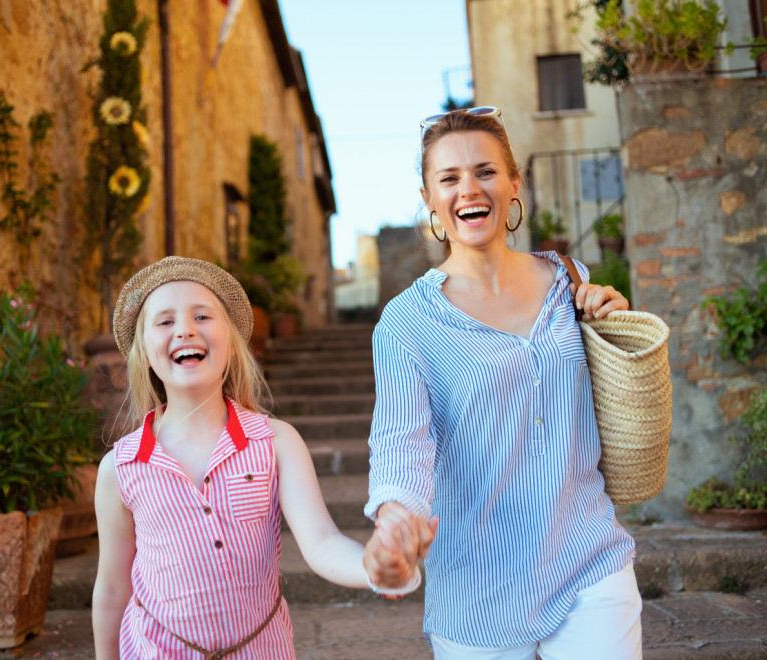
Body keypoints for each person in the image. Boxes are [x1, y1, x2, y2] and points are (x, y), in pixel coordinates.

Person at [361, 108, 641, 659]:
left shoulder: (572, 280)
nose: (470, 188)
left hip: (588, 558)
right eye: (449, 177)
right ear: (429, 198)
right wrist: (396, 517)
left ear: (515, 184)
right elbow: (402, 439)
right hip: (477, 585)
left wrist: (616, 321)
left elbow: (611, 389)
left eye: (486, 171)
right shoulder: (406, 322)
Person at [92, 256, 429, 659]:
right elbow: (112, 587)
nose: (184, 329)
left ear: (232, 344)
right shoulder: (120, 468)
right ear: (144, 353)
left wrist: (374, 566)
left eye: (202, 316)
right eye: (165, 322)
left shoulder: (276, 442)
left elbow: (322, 542)